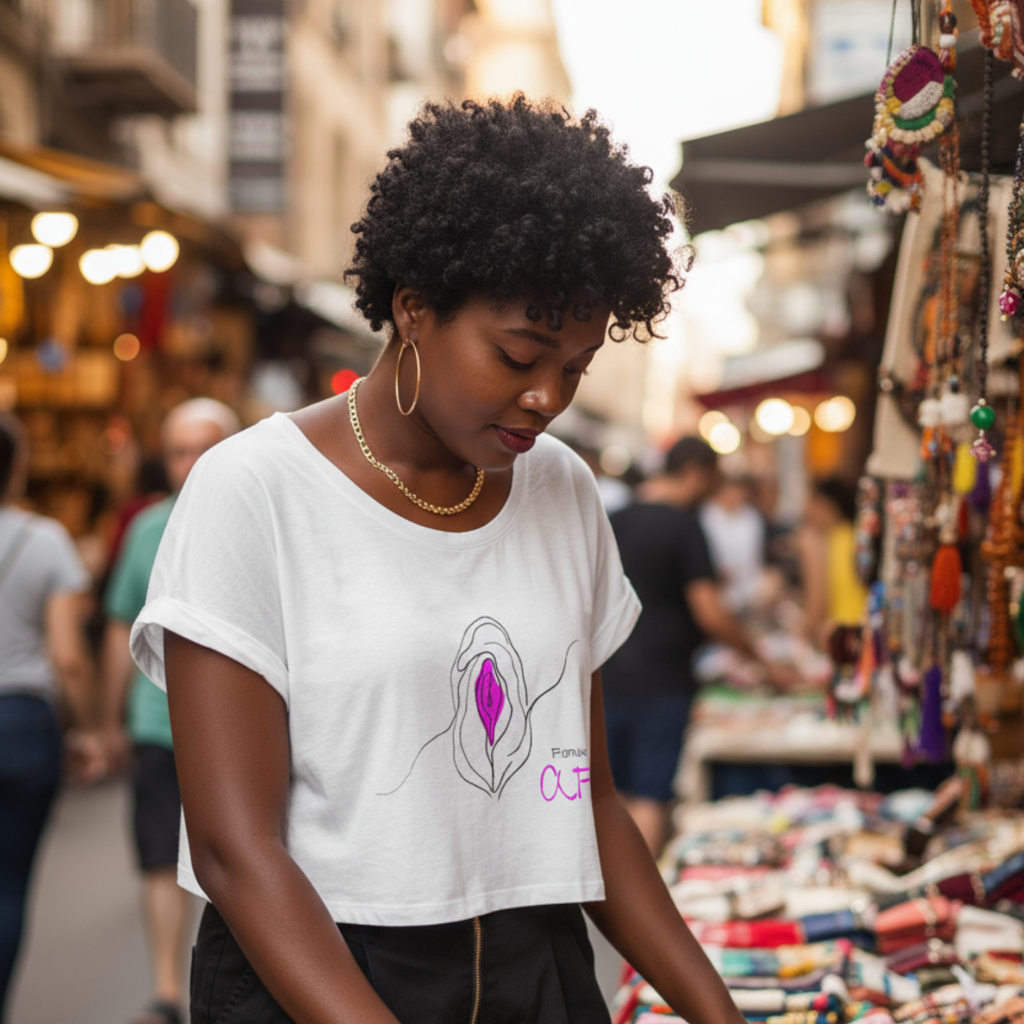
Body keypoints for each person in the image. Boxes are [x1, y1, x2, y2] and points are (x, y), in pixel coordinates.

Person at [128, 97, 746, 1024]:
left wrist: (720, 1012)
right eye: (519, 353)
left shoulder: (564, 491)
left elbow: (587, 801)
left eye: (575, 367)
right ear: (414, 308)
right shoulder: (251, 491)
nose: (547, 397)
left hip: (534, 967)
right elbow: (234, 850)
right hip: (315, 976)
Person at [100, 399, 240, 1024]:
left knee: (239, 858)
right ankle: (165, 990)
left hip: (240, 731)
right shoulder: (145, 530)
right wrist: (110, 720)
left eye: (204, 448)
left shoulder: (256, 522)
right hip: (158, 723)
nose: (190, 464)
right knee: (160, 856)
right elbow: (116, 627)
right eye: (179, 451)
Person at [602, 437, 799, 855]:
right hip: (662, 682)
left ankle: (608, 909)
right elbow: (709, 612)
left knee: (610, 795)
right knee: (650, 796)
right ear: (694, 472)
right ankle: (638, 909)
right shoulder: (685, 526)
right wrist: (761, 662)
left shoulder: (613, 518)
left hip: (608, 672)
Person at [0, 413, 99, 1019]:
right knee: (7, 886)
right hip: (22, 726)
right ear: (17, 467)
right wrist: (90, 729)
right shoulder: (44, 540)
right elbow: (68, 654)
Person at [797, 476, 868, 648]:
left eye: (812, 502)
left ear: (827, 506)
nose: (807, 510)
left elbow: (817, 605)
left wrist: (800, 640)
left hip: (842, 637)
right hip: (862, 632)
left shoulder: (824, 542)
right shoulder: (855, 535)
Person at [699, 474, 766, 613]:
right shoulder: (706, 515)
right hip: (717, 590)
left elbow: (756, 554)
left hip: (750, 589)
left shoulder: (751, 516)